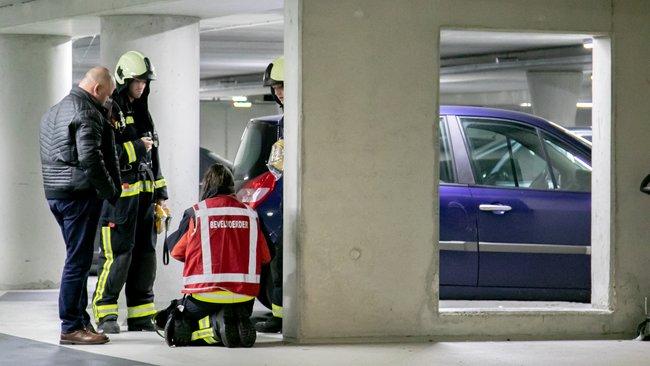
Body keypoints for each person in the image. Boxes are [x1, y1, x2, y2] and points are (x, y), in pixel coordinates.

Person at [40, 67, 122, 345]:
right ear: (97, 89)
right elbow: (90, 157)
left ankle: (80, 319)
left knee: (78, 257)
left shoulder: (55, 109)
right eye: (108, 95)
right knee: (78, 261)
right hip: (79, 196)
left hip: (56, 193)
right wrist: (110, 189)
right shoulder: (86, 111)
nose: (108, 101)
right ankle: (71, 326)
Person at [92, 50, 169, 333]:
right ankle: (106, 314)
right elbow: (105, 154)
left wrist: (162, 194)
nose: (141, 86)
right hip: (118, 201)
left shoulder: (143, 112)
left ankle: (140, 315)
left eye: (145, 82)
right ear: (124, 80)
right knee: (117, 256)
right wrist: (138, 147)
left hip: (146, 199)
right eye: (137, 81)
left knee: (145, 256)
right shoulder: (109, 111)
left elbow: (155, 156)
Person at [157, 164, 270, 347]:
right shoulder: (251, 214)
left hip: (204, 297)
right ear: (231, 186)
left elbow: (177, 251)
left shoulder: (197, 212)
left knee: (176, 324)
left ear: (207, 185)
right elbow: (265, 257)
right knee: (230, 309)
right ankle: (230, 320)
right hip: (245, 297)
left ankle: (214, 328)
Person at [254, 56, 285, 333]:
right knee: (277, 262)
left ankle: (282, 316)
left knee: (282, 262)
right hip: (281, 203)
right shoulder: (287, 119)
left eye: (281, 87)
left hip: (291, 203)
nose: (277, 93)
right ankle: (279, 314)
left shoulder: (300, 118)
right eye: (274, 88)